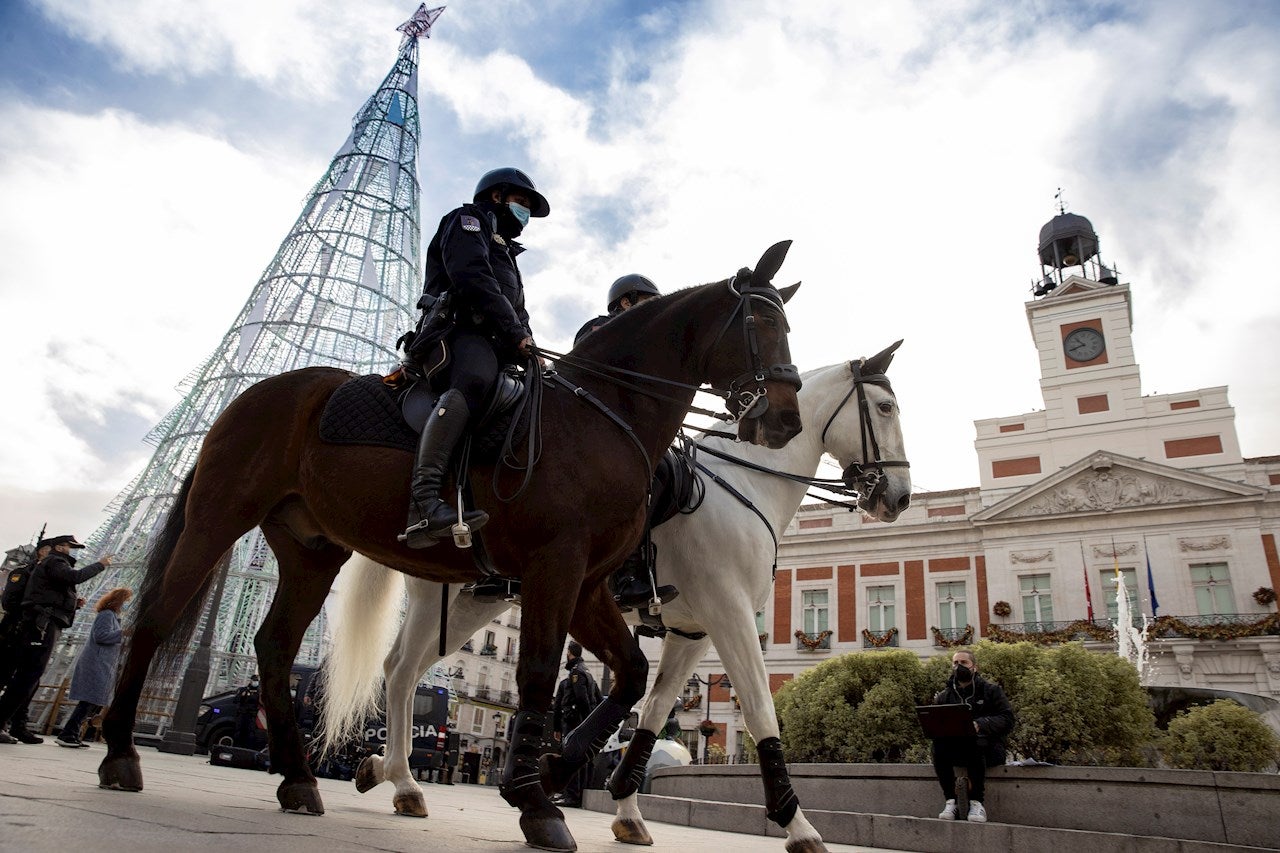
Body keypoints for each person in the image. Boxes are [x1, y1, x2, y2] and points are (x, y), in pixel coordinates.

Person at [400, 167, 550, 549]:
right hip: (459, 331)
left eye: (529, 208)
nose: (525, 214)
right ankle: (424, 502)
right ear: (497, 197)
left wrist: (529, 342)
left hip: (497, 339)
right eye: (521, 203)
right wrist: (515, 333)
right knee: (476, 381)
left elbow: (516, 305)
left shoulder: (507, 250)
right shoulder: (467, 221)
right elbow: (471, 277)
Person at [572, 274, 679, 610]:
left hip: (629, 434)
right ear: (625, 302)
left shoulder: (650, 340)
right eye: (649, 303)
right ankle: (625, 575)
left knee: (666, 473)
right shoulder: (599, 328)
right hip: (588, 429)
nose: (656, 311)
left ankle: (642, 566)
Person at [0, 535, 111, 745]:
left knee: (29, 677)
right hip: (37, 625)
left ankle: (15, 724)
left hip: (41, 622)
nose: (72, 552)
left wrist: (70, 604)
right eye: (70, 547)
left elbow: (51, 592)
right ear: (57, 548)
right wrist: (100, 564)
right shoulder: (55, 562)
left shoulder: (50, 566)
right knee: (25, 675)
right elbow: (75, 577)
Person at [931, 649, 1015, 823]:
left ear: (974, 667)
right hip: (958, 751)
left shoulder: (991, 691)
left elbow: (1007, 719)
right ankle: (950, 801)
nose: (958, 667)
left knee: (974, 741)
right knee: (938, 746)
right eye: (955, 663)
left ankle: (977, 803)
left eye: (963, 663)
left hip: (988, 750)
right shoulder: (944, 696)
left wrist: (980, 724)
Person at [56, 586, 132, 747]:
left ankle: (73, 733)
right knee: (89, 701)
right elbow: (101, 636)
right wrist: (122, 633)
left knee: (92, 701)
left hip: (103, 664)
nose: (126, 604)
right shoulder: (106, 615)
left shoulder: (111, 617)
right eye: (125, 601)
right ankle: (68, 733)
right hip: (97, 663)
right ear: (118, 601)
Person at [0, 538, 52, 742]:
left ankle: (16, 724)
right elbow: (9, 602)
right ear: (41, 552)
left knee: (27, 682)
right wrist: (29, 612)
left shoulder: (47, 580)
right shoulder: (23, 573)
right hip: (14, 633)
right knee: (5, 675)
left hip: (33, 634)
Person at [550, 640, 601, 807]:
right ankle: (577, 795)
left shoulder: (576, 673)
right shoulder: (588, 673)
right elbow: (598, 699)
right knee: (581, 759)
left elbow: (581, 698)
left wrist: (587, 721)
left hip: (574, 722)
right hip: (580, 722)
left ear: (569, 653)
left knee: (570, 758)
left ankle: (571, 796)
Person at [234, 672, 261, 748]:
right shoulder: (244, 690)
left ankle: (246, 748)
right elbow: (237, 700)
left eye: (256, 681)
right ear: (251, 680)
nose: (255, 682)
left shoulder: (259, 692)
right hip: (242, 714)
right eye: (254, 680)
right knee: (238, 732)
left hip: (252, 715)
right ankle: (237, 747)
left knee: (250, 733)